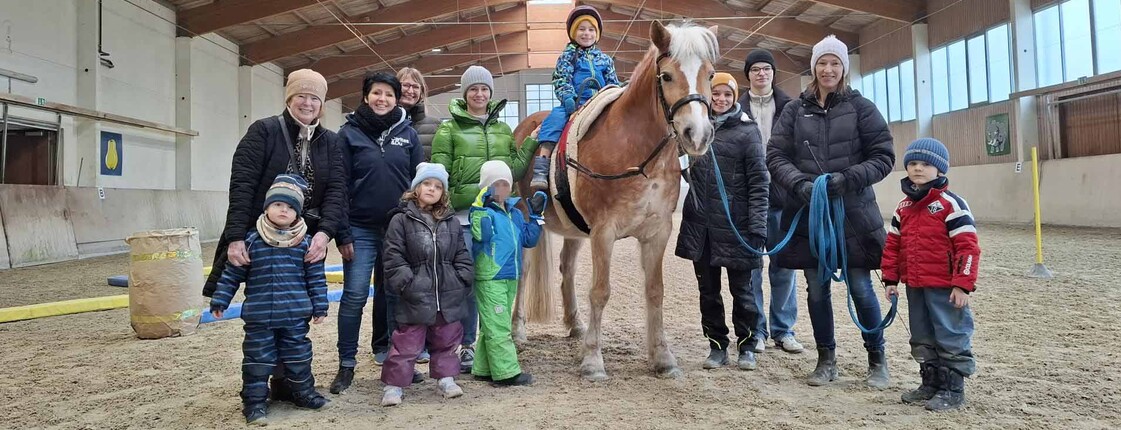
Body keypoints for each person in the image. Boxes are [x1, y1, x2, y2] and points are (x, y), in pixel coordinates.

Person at [205, 68, 347, 402]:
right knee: (265, 310)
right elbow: (241, 186)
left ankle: (288, 383)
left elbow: (338, 191)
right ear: (289, 98)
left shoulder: (331, 142)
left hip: (306, 238)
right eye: (302, 96)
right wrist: (237, 237)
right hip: (263, 237)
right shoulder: (263, 131)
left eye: (315, 98)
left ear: (323, 104)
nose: (308, 103)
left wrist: (325, 233)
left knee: (296, 314)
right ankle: (256, 385)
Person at [767, 35, 896, 388]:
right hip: (809, 213)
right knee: (816, 288)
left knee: (860, 287)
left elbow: (884, 156)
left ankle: (877, 358)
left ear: (844, 68)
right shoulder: (794, 110)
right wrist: (799, 185)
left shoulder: (862, 108)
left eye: (835, 63)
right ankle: (826, 359)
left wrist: (847, 179)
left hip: (853, 213)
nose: (828, 69)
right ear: (814, 68)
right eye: (822, 63)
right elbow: (776, 155)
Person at [431, 65, 539, 373]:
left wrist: (530, 143)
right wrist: (454, 204)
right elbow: (440, 174)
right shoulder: (448, 130)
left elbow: (514, 172)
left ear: (491, 93)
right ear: (464, 94)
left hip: (494, 219)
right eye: (473, 89)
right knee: (464, 285)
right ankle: (463, 344)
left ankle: (481, 346)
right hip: (463, 219)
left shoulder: (503, 130)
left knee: (490, 283)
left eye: (484, 89)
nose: (479, 94)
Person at [209, 174, 330, 424]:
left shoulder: (305, 244)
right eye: (277, 205)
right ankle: (254, 403)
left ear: (298, 213)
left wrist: (320, 305)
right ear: (267, 207)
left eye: (289, 207)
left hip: (295, 316)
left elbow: (315, 279)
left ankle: (303, 393)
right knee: (257, 359)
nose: (283, 210)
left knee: (299, 356)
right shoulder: (252, 241)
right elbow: (232, 273)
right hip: (259, 316)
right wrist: (220, 299)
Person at [331, 71, 423, 394]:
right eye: (376, 93)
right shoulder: (348, 135)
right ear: (366, 96)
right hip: (359, 229)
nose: (382, 99)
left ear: (397, 98)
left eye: (388, 94)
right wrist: (342, 232)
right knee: (355, 295)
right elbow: (338, 185)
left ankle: (398, 361)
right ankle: (346, 365)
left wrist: (414, 226)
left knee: (396, 296)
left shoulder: (408, 134)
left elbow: (417, 184)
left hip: (398, 229)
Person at [675, 73, 769, 371]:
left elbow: (759, 181)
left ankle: (747, 346)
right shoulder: (692, 130)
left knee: (743, 292)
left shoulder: (747, 132)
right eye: (715, 94)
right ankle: (716, 345)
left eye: (727, 95)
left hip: (737, 226)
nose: (721, 99)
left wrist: (758, 226)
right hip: (702, 227)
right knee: (708, 292)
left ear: (734, 97)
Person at [882, 138, 979, 411]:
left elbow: (968, 248)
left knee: (950, 334)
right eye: (912, 163)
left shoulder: (952, 205)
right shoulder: (903, 208)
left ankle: (952, 389)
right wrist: (890, 278)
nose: (918, 169)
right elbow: (893, 245)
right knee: (922, 334)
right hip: (915, 285)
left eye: (925, 164)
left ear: (940, 169)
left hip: (945, 287)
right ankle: (931, 382)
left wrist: (962, 284)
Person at [379, 163, 474, 406]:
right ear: (416, 188)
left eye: (438, 186)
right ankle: (394, 385)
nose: (432, 189)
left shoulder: (451, 221)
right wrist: (407, 283)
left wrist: (462, 278)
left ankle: (446, 378)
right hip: (414, 293)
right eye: (427, 184)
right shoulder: (400, 220)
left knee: (447, 339)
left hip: (447, 293)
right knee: (406, 343)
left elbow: (461, 254)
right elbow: (393, 257)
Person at [739, 49, 803, 355]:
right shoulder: (735, 109)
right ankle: (757, 329)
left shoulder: (791, 108)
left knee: (784, 266)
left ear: (773, 73)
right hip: (749, 200)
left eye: (766, 69)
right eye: (755, 70)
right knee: (752, 267)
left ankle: (784, 328)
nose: (761, 74)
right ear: (748, 75)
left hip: (782, 197)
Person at [528, 5, 620, 213]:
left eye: (591, 30)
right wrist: (569, 100)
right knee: (554, 120)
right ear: (573, 33)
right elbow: (561, 79)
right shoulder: (568, 56)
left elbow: (614, 84)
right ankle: (541, 168)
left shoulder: (605, 59)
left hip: (601, 102)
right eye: (582, 29)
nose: (586, 33)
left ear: (597, 34)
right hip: (574, 104)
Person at [470, 161, 543, 386]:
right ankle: (506, 372)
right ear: (486, 187)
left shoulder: (515, 214)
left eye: (505, 183)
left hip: (510, 276)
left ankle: (482, 368)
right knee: (500, 325)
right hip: (491, 276)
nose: (502, 188)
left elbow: (529, 239)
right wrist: (480, 207)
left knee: (492, 323)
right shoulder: (481, 213)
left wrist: (537, 216)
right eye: (496, 184)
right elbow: (481, 235)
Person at [396, 67, 442, 161]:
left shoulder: (436, 125)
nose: (410, 91)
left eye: (416, 87)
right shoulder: (385, 123)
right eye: (406, 85)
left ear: (421, 92)